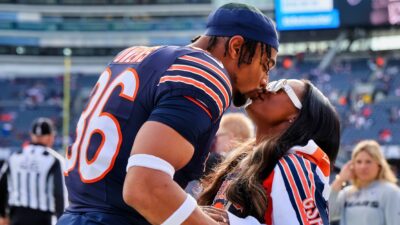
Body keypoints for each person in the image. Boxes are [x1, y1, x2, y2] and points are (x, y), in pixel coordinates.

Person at [57, 3, 279, 225]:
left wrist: (189, 212)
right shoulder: (205, 71)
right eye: (265, 65)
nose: (264, 81)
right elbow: (144, 188)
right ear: (236, 47)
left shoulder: (132, 56)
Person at [198, 79, 341, 225]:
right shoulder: (245, 159)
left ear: (295, 116)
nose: (265, 88)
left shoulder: (293, 166)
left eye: (280, 87)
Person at [0, 117, 66, 225]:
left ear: (32, 135)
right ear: (51, 137)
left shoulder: (15, 156)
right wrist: (61, 220)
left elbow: (2, 186)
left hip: (17, 215)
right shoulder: (54, 160)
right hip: (43, 217)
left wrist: (2, 215)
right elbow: (59, 194)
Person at [329, 140, 400, 225]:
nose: (363, 167)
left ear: (379, 165)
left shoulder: (391, 192)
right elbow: (328, 215)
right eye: (359, 162)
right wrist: (340, 180)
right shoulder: (346, 193)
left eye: (368, 162)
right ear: (352, 165)